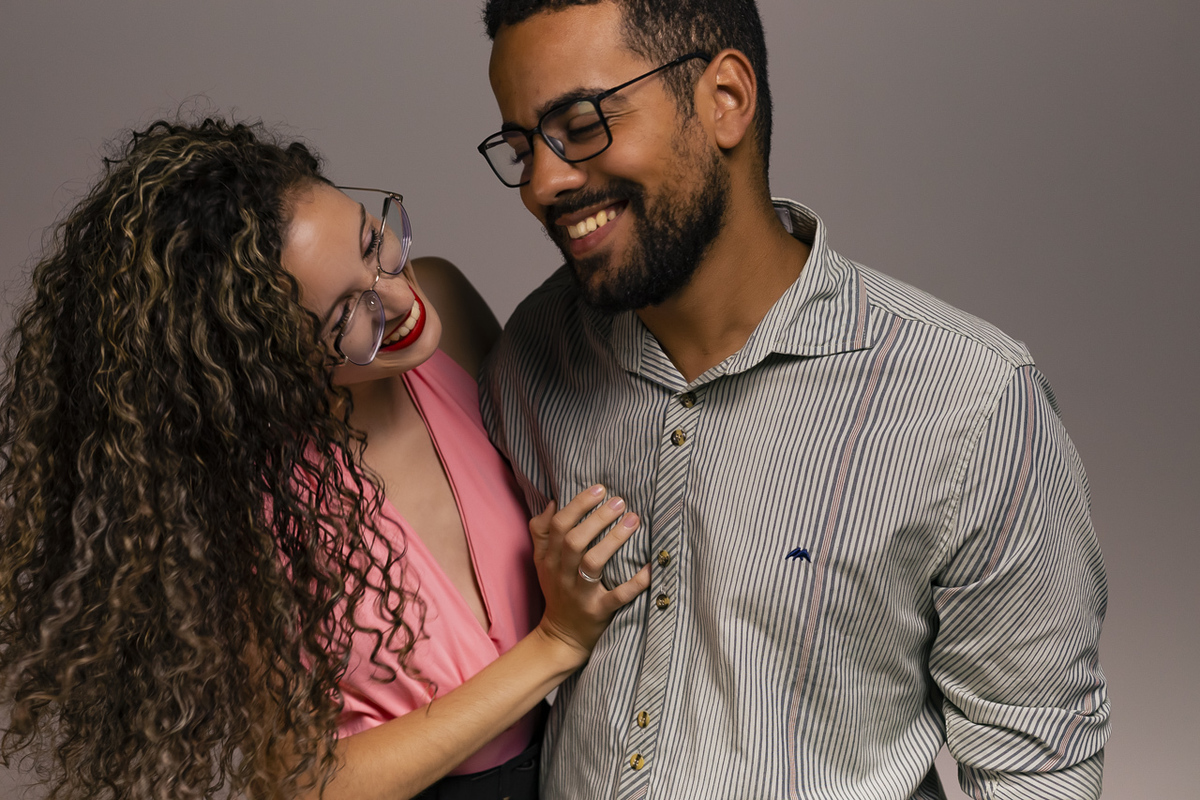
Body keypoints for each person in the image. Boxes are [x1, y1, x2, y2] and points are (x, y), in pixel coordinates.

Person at [476, 2, 1111, 798]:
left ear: (726, 100)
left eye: (581, 125)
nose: (542, 184)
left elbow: (1037, 765)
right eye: (522, 149)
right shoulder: (533, 355)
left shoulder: (971, 401)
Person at [0, 117, 651, 800]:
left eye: (373, 243)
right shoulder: (255, 510)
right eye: (345, 318)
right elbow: (305, 783)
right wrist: (555, 644)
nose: (397, 298)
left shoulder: (448, 307)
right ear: (267, 362)